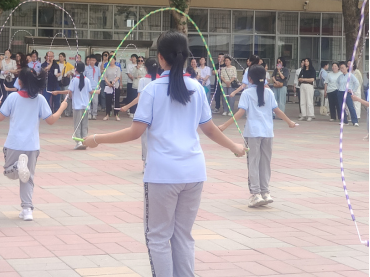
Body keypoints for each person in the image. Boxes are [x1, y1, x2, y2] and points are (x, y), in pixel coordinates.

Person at [83, 31, 246, 277]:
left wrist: (96, 139)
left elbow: (135, 132)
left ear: (160, 57)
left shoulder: (153, 90)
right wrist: (234, 146)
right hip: (194, 173)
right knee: (183, 236)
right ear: (186, 57)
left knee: (158, 237)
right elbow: (210, 129)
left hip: (162, 175)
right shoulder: (196, 88)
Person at [0, 67, 68, 221]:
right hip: (32, 145)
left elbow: (0, 117)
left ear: (20, 82)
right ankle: (27, 209)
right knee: (27, 178)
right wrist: (61, 108)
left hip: (14, 143)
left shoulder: (13, 97)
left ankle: (17, 166)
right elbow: (50, 120)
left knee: (9, 171)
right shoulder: (40, 99)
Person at [219, 65, 296, 208]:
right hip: (267, 133)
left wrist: (224, 126)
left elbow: (240, 112)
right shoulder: (269, 92)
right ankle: (265, 192)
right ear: (265, 78)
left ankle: (256, 194)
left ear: (249, 79)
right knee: (265, 162)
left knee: (253, 162)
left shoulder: (247, 93)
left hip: (253, 133)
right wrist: (289, 122)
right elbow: (277, 110)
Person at [120, 57, 159, 170]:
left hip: (146, 114)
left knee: (145, 139)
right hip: (160, 114)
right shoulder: (162, 80)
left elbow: (139, 98)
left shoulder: (143, 81)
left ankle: (146, 163)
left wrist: (127, 106)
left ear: (145, 68)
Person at [52, 62, 100, 149]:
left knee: (77, 124)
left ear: (76, 70)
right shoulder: (87, 80)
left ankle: (79, 142)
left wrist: (57, 92)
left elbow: (69, 92)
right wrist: (97, 91)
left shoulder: (74, 80)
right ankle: (84, 141)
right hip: (86, 106)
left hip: (77, 106)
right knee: (84, 125)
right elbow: (90, 91)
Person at [337, 62, 359, 126]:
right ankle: (344, 121)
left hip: (347, 92)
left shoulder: (350, 75)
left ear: (347, 68)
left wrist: (352, 90)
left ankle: (355, 121)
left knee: (350, 106)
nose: (342, 69)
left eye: (343, 68)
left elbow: (357, 83)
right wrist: (339, 88)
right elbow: (337, 83)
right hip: (340, 92)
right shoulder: (340, 76)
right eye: (340, 68)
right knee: (341, 107)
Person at [103, 55, 121, 121]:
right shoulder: (107, 68)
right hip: (108, 86)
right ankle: (107, 114)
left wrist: (113, 82)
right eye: (110, 60)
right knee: (108, 101)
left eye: (113, 59)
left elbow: (118, 76)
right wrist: (108, 83)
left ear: (115, 60)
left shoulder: (117, 68)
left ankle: (116, 115)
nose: (111, 61)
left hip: (115, 86)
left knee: (116, 101)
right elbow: (105, 77)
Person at [84, 55, 101, 120]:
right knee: (88, 101)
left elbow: (99, 77)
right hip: (87, 87)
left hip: (95, 87)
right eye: (91, 60)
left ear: (96, 61)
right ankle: (89, 113)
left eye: (94, 60)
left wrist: (99, 85)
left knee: (95, 101)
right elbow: (84, 77)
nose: (92, 61)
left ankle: (94, 114)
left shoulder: (97, 69)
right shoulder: (86, 68)